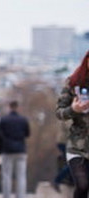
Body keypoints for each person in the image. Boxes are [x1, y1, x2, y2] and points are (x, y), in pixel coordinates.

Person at [56, 50, 89, 197]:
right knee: (82, 185)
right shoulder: (74, 82)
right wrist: (73, 109)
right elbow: (59, 112)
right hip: (78, 146)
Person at [0, 101, 30, 198]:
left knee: (6, 175)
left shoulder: (3, 120)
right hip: (20, 149)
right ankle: (20, 195)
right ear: (17, 107)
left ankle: (6, 195)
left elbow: (0, 135)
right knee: (21, 176)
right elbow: (27, 134)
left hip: (7, 150)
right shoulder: (23, 120)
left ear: (9, 107)